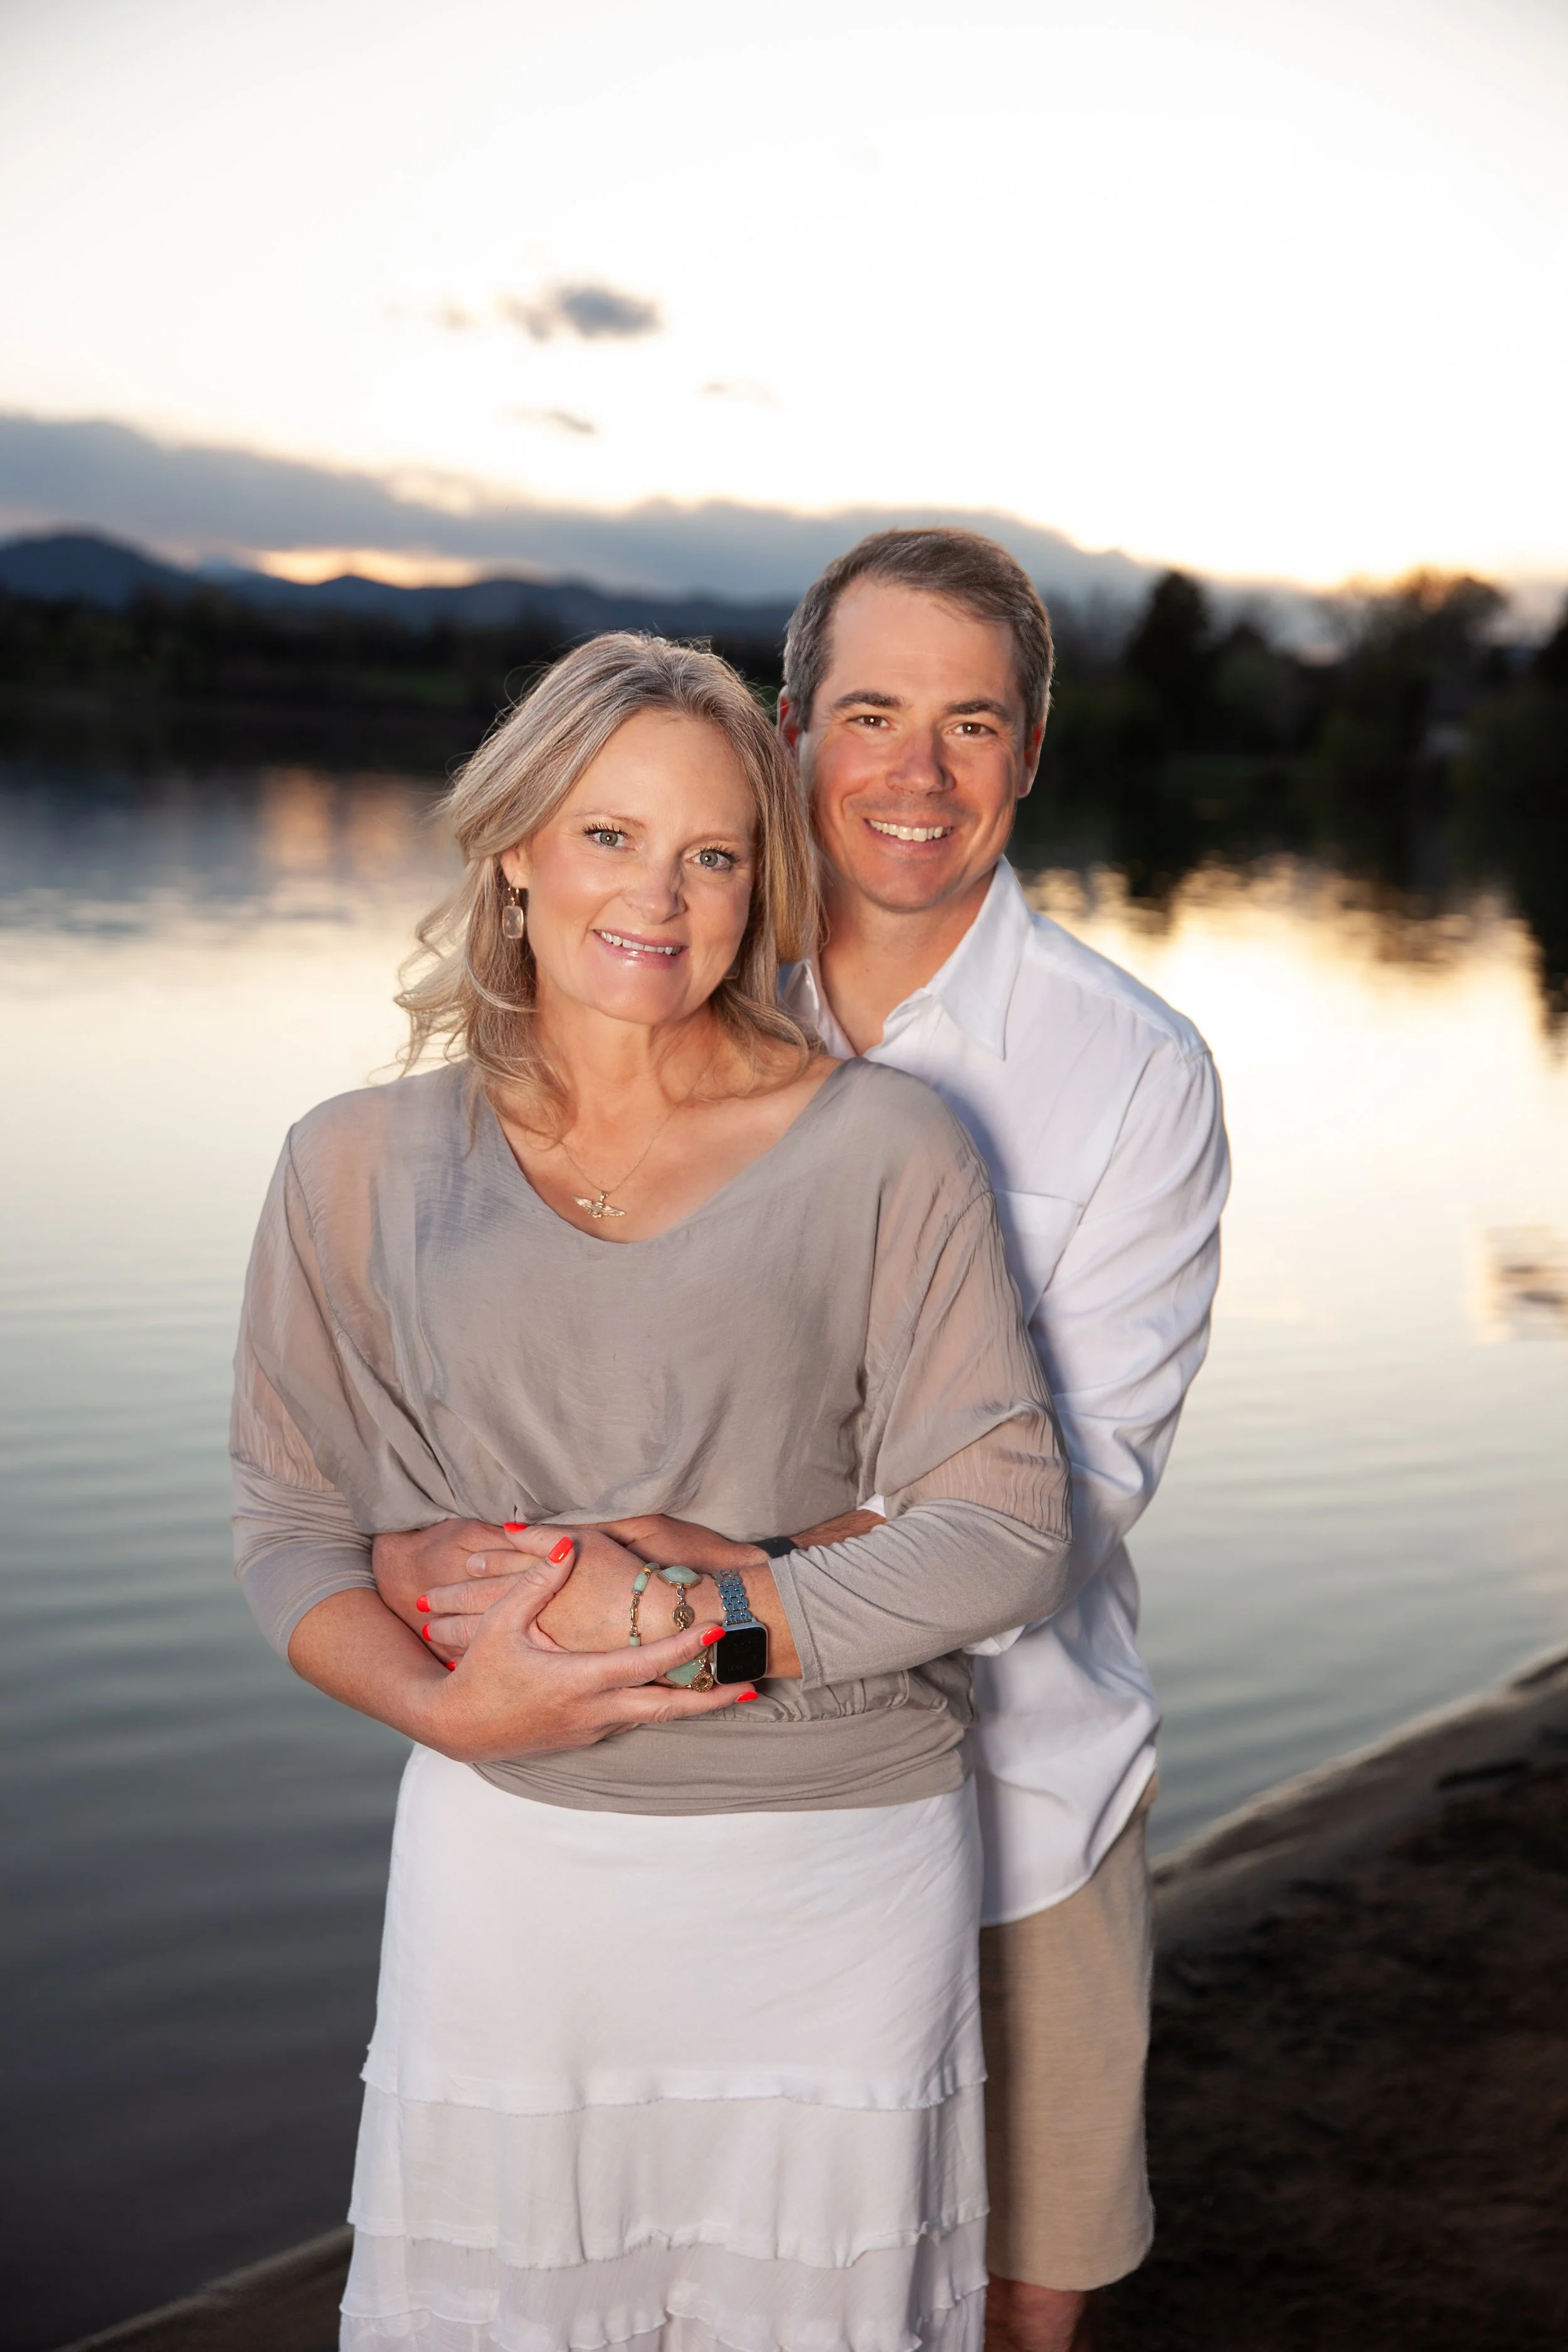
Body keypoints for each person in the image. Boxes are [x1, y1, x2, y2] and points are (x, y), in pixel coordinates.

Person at [231, 632, 1075, 2352]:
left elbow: (1006, 1532)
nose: (659, 897)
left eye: (714, 854)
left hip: (831, 1876)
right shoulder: (351, 1163)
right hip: (513, 1874)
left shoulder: (887, 1145)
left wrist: (711, 1616)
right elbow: (287, 1527)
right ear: (515, 846)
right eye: (609, 836)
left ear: (764, 883)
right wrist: (453, 1710)